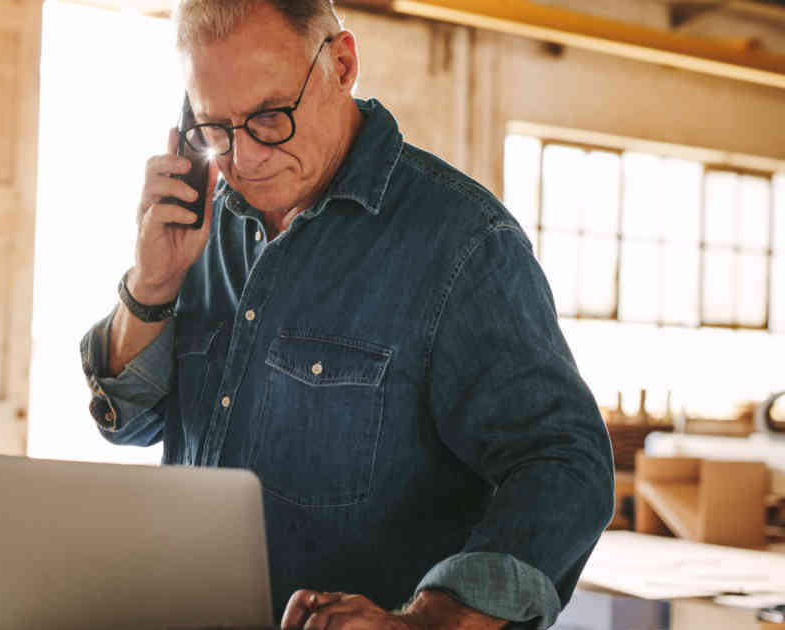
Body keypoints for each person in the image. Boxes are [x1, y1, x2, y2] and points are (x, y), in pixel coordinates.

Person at [78, 1, 615, 628]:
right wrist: (152, 284)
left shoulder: (463, 242)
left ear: (341, 64)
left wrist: (428, 621)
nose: (243, 159)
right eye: (214, 129)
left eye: (269, 117)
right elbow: (128, 423)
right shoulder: (200, 223)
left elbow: (564, 464)